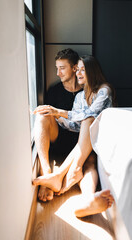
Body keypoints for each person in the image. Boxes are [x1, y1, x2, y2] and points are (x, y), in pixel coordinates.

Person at [33, 55, 116, 208]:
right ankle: (57, 178)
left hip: (99, 138)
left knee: (89, 160)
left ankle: (83, 194)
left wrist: (59, 111)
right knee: (45, 114)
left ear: (92, 71)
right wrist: (54, 115)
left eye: (83, 70)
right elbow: (76, 125)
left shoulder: (104, 90)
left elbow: (89, 115)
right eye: (77, 70)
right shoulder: (79, 97)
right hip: (83, 137)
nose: (78, 73)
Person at [33, 48, 82, 202]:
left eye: (62, 68)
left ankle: (54, 179)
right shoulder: (54, 91)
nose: (58, 73)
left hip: (81, 143)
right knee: (43, 115)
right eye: (57, 68)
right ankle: (47, 173)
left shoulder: (88, 90)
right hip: (59, 138)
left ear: (74, 68)